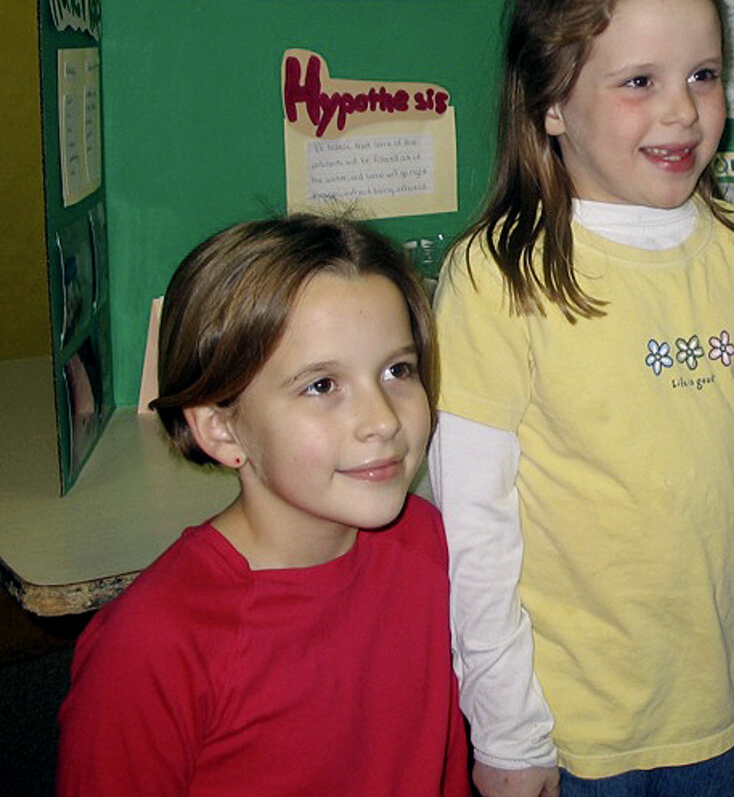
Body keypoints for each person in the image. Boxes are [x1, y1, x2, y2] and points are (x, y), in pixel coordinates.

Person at [430, 0, 734, 797]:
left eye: (703, 75)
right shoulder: (498, 276)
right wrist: (507, 728)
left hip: (708, 703)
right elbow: (475, 532)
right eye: (639, 81)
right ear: (551, 104)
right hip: (566, 724)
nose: (682, 111)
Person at [57, 215, 470, 797]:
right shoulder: (154, 647)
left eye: (396, 370)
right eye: (322, 385)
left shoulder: (428, 543)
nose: (382, 420)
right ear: (223, 430)